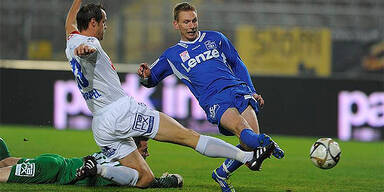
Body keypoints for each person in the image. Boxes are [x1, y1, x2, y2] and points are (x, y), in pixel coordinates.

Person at [64, 0, 275, 189]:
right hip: (121, 112)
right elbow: (87, 48)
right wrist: (86, 50)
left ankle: (97, 169)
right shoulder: (89, 45)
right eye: (104, 22)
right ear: (93, 23)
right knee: (190, 137)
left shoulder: (71, 40)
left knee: (145, 179)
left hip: (100, 124)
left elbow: (70, 25)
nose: (106, 26)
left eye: (194, 20)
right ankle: (247, 156)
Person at [137, 2, 285, 191]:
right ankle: (268, 142)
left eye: (194, 20)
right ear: (176, 25)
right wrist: (145, 76)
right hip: (214, 99)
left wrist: (250, 90)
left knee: (251, 146)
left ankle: (221, 173)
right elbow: (151, 79)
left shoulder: (216, 38)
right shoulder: (171, 55)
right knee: (246, 133)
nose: (191, 26)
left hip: (238, 90)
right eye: (186, 22)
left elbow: (237, 63)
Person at [0, 137, 182, 188]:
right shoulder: (122, 169)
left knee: (6, 161)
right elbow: (132, 176)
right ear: (132, 151)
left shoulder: (113, 154)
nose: (148, 155)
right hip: (52, 170)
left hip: (57, 162)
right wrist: (172, 180)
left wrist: (172, 180)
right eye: (144, 150)